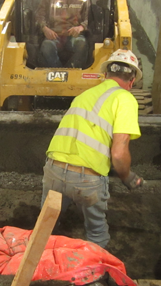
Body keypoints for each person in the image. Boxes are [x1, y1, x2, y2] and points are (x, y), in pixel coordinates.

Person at [41, 49, 144, 249]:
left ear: (105, 75)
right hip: (86, 180)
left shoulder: (84, 95)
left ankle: (40, 269)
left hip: (52, 171)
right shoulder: (125, 99)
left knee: (46, 226)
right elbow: (119, 153)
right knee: (97, 234)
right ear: (131, 81)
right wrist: (128, 177)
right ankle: (94, 277)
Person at [35, 0, 89, 68]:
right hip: (55, 35)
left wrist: (81, 27)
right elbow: (39, 15)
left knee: (81, 44)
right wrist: (44, 28)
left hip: (74, 35)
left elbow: (90, 16)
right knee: (46, 46)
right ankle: (58, 72)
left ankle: (71, 71)